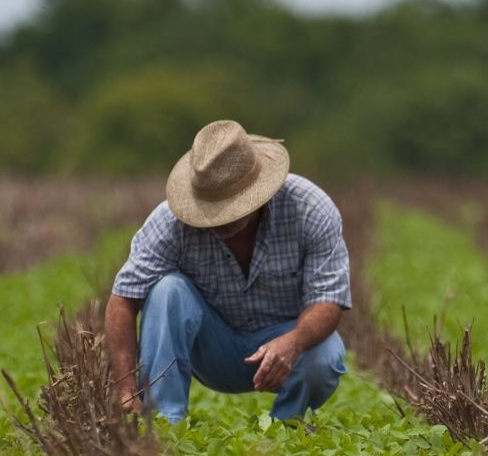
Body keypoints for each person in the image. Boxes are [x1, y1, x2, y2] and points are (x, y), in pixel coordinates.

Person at [106, 119, 352, 423]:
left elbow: (329, 299)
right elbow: (122, 299)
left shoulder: (310, 209)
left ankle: (288, 427)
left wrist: (293, 342)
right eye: (211, 207)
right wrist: (126, 390)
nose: (219, 219)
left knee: (325, 354)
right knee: (167, 289)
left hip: (285, 341)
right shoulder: (169, 223)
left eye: (231, 205)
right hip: (212, 349)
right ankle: (163, 423)